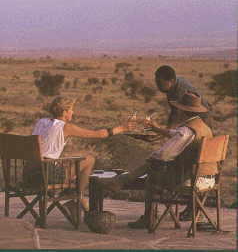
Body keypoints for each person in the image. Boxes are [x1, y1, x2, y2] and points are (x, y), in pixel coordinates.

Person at [98, 92, 217, 229]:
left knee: (153, 170)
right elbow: (176, 134)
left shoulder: (186, 131)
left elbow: (165, 155)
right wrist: (157, 129)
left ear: (182, 110)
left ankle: (147, 216)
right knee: (153, 164)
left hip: (189, 179)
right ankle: (121, 181)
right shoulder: (202, 126)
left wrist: (152, 158)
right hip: (208, 178)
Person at [24, 96, 134, 220]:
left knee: (70, 165)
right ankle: (79, 197)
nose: (73, 112)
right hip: (46, 175)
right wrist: (123, 128)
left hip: (29, 173)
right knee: (89, 160)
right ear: (64, 112)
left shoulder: (41, 122)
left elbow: (43, 150)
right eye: (71, 109)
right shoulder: (66, 127)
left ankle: (74, 198)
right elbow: (99, 134)